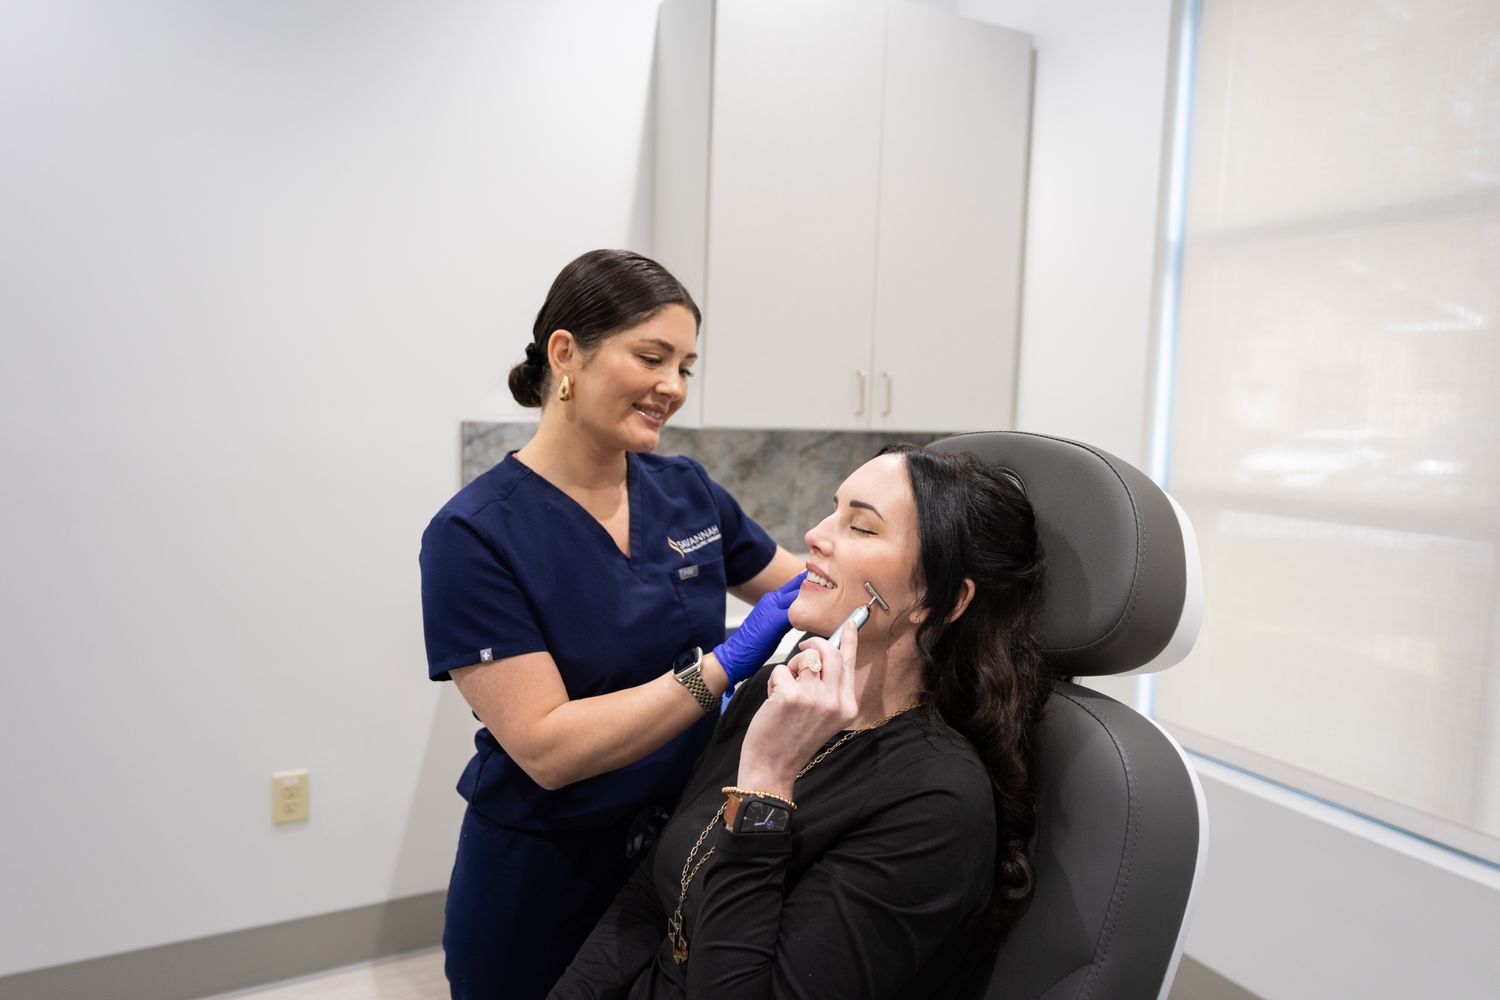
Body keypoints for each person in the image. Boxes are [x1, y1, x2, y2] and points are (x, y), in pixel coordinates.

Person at [419, 249, 805, 999]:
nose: (674, 387)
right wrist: (724, 665)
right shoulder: (474, 535)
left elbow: (802, 587)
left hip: (679, 854)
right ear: (566, 353)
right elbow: (547, 747)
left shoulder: (687, 492)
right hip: (547, 875)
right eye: (652, 358)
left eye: (686, 367)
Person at [549, 444, 1051, 1000]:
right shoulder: (773, 690)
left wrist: (766, 784)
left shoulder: (937, 802)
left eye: (861, 527)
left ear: (942, 600)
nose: (814, 535)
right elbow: (654, 894)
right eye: (832, 510)